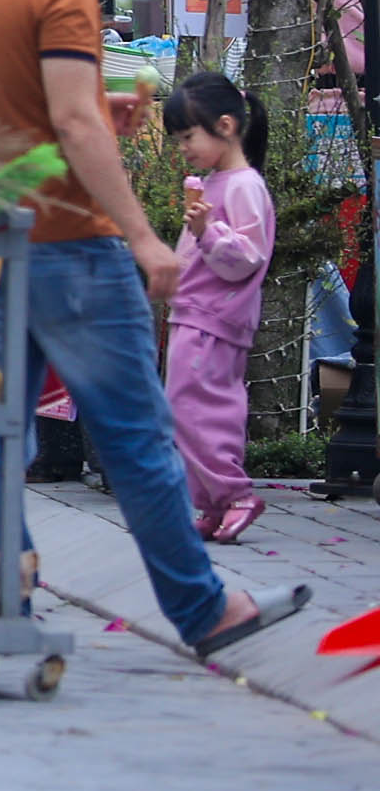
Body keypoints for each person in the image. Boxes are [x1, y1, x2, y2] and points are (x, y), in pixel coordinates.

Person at [0, 0, 305, 658]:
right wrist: (143, 235)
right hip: (74, 245)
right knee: (137, 436)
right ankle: (202, 609)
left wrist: (93, 124)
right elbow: (67, 119)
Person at [165, 72, 274, 543]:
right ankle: (211, 501)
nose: (183, 147)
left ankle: (234, 493)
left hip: (214, 319)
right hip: (194, 314)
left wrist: (209, 233)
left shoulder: (244, 186)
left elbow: (247, 257)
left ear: (225, 126)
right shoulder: (215, 183)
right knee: (184, 407)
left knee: (199, 409)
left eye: (189, 136)